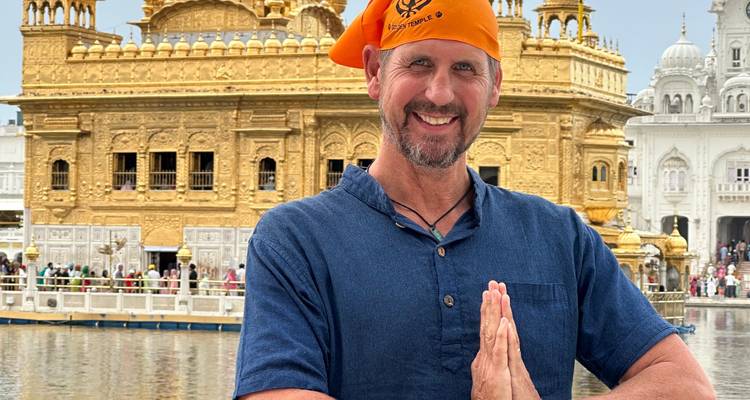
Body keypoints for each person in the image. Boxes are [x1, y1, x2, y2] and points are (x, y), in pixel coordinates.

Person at [233, 1, 714, 399]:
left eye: (464, 68)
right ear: (375, 73)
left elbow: (686, 385)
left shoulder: (557, 237)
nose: (439, 93)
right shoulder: (296, 241)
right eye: (418, 63)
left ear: (495, 86)